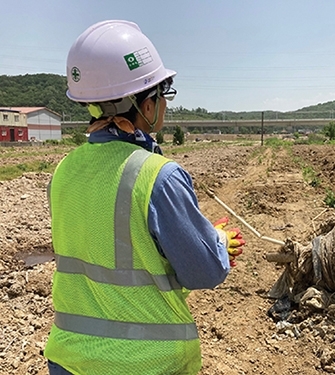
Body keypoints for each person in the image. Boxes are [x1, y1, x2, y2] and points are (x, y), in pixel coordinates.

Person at [44, 20, 245, 375]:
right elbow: (203, 272)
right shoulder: (158, 176)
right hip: (146, 363)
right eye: (161, 94)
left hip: (68, 360)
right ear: (146, 106)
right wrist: (216, 242)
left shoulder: (64, 171)